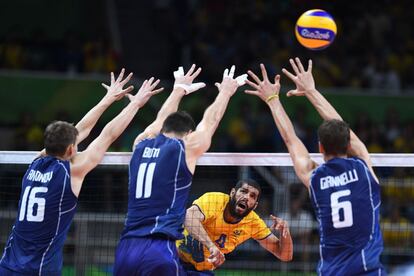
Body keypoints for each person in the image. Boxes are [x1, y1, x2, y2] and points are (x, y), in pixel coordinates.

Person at [0, 69, 162, 276]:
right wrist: (135, 104)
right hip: (39, 269)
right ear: (70, 149)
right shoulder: (72, 171)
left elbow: (80, 130)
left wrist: (108, 99)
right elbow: (107, 135)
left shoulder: (35, 162)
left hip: (7, 264)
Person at [245, 59, 385, 275]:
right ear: (348, 144)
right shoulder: (364, 169)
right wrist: (311, 91)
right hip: (368, 271)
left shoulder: (315, 179)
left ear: (319, 147)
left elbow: (290, 139)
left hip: (332, 271)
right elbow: (341, 126)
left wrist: (273, 99)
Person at [113, 65, 247, 276]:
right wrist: (226, 92)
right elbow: (210, 122)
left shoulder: (140, 144)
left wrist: (178, 90)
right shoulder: (184, 149)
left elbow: (158, 122)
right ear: (189, 133)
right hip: (158, 248)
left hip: (126, 247)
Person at [177, 179, 293, 275]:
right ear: (232, 193)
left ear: (254, 206)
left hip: (201, 271)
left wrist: (285, 232)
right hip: (175, 258)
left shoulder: (253, 223)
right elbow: (189, 217)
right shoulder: (215, 200)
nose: (247, 197)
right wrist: (211, 246)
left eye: (252, 196)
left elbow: (285, 255)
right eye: (243, 191)